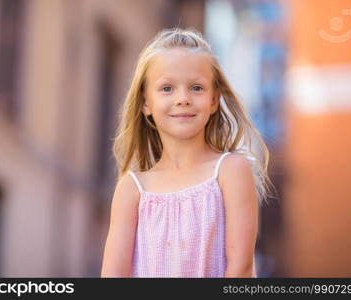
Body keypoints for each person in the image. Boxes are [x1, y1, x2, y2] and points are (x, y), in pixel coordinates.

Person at [101, 28, 274, 278]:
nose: (183, 98)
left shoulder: (230, 171)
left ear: (214, 100)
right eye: (167, 88)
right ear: (145, 103)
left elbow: (241, 268)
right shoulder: (131, 189)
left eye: (196, 88)